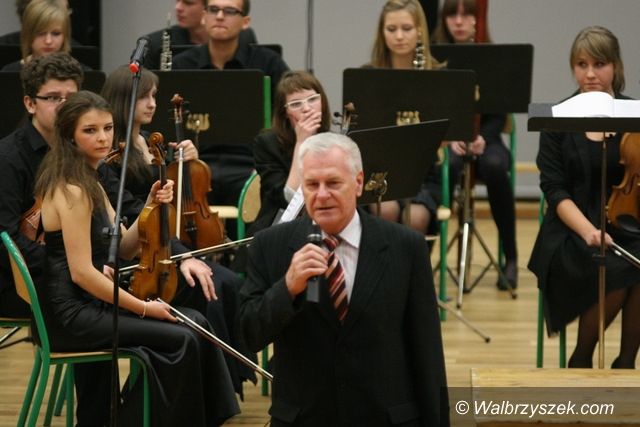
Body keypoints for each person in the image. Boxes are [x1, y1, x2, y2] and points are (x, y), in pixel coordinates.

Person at [33, 90, 239, 426]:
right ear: (70, 136)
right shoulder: (71, 189)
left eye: (107, 128)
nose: (103, 138)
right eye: (90, 130)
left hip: (93, 302)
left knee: (196, 323)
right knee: (182, 337)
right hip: (73, 313)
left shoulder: (93, 179)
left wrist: (150, 204)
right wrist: (144, 307)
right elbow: (82, 273)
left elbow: (126, 248)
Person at [240, 132, 449, 426]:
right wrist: (286, 289)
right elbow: (249, 334)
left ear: (359, 182)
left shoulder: (406, 247)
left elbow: (427, 353)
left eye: (333, 183)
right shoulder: (269, 245)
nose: (322, 194)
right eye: (312, 184)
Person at [100, 64, 254, 395]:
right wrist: (182, 256)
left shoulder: (148, 142)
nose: (152, 103)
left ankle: (230, 379)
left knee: (228, 281)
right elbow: (135, 213)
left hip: (165, 245)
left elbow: (176, 196)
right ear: (124, 99)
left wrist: (187, 160)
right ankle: (214, 387)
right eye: (145, 96)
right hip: (141, 258)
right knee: (210, 285)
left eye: (154, 96)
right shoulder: (114, 155)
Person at [528, 26, 640, 369]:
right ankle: (581, 358)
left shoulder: (634, 115)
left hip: (627, 221)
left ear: (616, 67)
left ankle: (626, 363)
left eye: (599, 64)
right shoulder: (557, 119)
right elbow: (555, 189)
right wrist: (589, 231)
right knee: (617, 270)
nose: (590, 74)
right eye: (582, 65)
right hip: (572, 229)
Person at [433, 0, 518, 288]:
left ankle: (511, 257)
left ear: (477, 19)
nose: (458, 21)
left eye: (466, 14)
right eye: (452, 15)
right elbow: (435, 107)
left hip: (487, 141)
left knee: (495, 166)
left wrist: (484, 137)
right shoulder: (436, 58)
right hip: (451, 142)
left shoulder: (492, 58)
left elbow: (500, 111)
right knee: (448, 167)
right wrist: (451, 137)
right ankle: (430, 254)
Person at [172, 0, 289, 208]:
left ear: (245, 22)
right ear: (204, 16)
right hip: (196, 160)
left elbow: (285, 115)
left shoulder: (269, 63)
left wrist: (267, 160)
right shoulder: (181, 64)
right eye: (213, 10)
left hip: (251, 164)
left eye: (229, 11)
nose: (219, 16)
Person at [0, 52, 81, 319]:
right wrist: (71, 264)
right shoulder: (8, 159)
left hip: (67, 273)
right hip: (16, 284)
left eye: (71, 98)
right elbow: (7, 240)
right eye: (53, 98)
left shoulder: (80, 150)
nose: (64, 106)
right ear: (30, 103)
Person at [368, 0, 443, 237]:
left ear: (420, 30)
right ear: (382, 33)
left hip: (424, 174)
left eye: (407, 28)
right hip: (379, 170)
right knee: (385, 210)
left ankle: (414, 262)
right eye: (391, 29)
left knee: (416, 217)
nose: (399, 36)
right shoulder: (367, 77)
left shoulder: (439, 78)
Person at [250, 70, 331, 234]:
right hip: (278, 227)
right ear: (285, 113)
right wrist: (301, 143)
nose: (306, 108)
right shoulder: (267, 143)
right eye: (296, 104)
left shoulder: (334, 143)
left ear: (322, 103)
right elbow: (288, 198)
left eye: (312, 99)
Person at [142, 0, 257, 70]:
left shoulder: (245, 37)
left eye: (188, 2)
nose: (178, 8)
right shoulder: (156, 44)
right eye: (177, 1)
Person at [0, 0, 79, 72]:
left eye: (56, 33)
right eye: (40, 33)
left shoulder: (80, 71)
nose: (48, 41)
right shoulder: (8, 72)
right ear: (27, 33)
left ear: (65, 35)